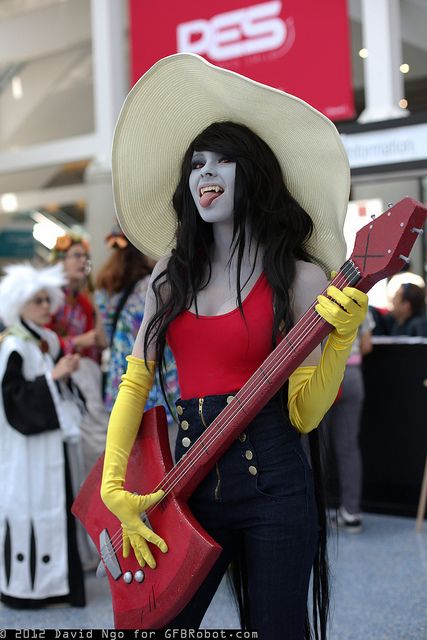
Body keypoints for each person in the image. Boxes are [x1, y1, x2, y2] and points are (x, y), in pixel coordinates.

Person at [100, 54, 368, 638]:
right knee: (157, 625)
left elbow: (304, 412)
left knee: (276, 629)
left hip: (276, 482)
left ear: (255, 174)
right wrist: (113, 484)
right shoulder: (172, 272)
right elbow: (136, 378)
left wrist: (339, 337)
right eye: (196, 164)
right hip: (188, 480)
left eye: (223, 160)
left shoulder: (300, 278)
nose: (205, 173)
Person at [0, 263, 85, 608]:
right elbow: (15, 401)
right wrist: (54, 377)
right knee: (29, 507)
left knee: (57, 505)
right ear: (19, 304)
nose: (46, 307)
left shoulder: (45, 341)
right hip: (27, 452)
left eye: (48, 300)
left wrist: (62, 376)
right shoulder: (13, 348)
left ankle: (61, 584)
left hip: (52, 445)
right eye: (38, 301)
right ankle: (29, 590)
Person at [94, 226, 179, 421]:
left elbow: (102, 338)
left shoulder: (104, 288)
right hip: (154, 386)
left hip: (120, 388)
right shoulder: (152, 287)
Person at [49, 233, 109, 476]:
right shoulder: (48, 298)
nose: (82, 261)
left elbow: (101, 341)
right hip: (62, 379)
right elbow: (42, 342)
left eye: (85, 256)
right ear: (60, 261)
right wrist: (77, 342)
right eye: (75, 256)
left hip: (88, 380)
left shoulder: (85, 302)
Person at [322, 309, 375, 533]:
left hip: (323, 376)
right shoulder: (361, 299)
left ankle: (314, 510)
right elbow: (366, 346)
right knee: (349, 448)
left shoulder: (317, 294)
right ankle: (351, 514)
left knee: (316, 448)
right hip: (352, 375)